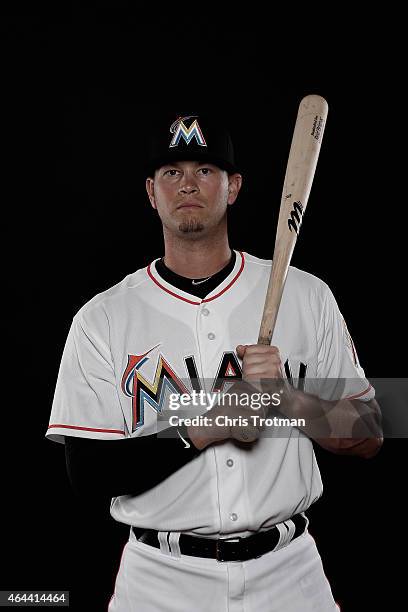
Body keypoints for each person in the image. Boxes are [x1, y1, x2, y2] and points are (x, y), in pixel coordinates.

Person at [46, 112, 383, 611]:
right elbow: (88, 474)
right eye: (172, 172)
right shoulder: (103, 319)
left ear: (233, 187)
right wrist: (204, 426)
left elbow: (370, 433)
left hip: (290, 576)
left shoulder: (308, 296)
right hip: (159, 583)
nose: (188, 184)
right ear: (150, 191)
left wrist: (288, 399)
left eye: (205, 171)